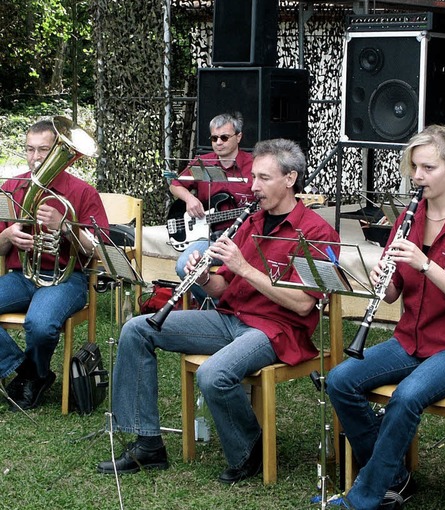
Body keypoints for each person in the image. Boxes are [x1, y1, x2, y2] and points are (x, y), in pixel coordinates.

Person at [97, 138, 340, 482]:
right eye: (253, 177)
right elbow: (221, 287)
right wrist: (205, 275)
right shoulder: (251, 221)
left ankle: (249, 449)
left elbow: (303, 304)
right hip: (231, 318)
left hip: (276, 330)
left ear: (290, 179)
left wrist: (244, 268)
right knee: (137, 329)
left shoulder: (317, 231)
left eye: (264, 178)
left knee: (214, 374)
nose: (253, 186)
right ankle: (148, 443)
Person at [326, 125, 445, 509]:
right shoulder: (410, 215)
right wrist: (380, 280)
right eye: (414, 167)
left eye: (428, 168)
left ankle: (364, 497)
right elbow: (392, 294)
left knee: (406, 398)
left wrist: (426, 265)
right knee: (340, 380)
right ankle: (394, 476)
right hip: (412, 340)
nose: (417, 176)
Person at [0, 119, 109, 411]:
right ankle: (30, 371)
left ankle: (30, 377)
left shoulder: (83, 192)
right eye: (30, 150)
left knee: (40, 324)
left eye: (43, 150)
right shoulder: (11, 187)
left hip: (66, 278)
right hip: (22, 274)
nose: (35, 158)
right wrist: (8, 235)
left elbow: (99, 249)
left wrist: (65, 227)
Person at [169, 112, 255, 304]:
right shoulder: (204, 163)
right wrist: (190, 199)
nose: (218, 142)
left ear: (238, 136)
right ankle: (217, 307)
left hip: (245, 237)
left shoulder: (254, 166)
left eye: (224, 137)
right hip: (209, 236)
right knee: (185, 266)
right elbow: (175, 184)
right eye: (214, 138)